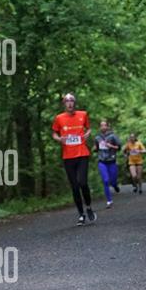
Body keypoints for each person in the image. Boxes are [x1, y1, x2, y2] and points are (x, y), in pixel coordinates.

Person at [52, 93, 96, 225]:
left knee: (82, 182)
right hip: (68, 156)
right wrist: (60, 139)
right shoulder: (59, 118)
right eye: (67, 101)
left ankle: (88, 207)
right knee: (75, 187)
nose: (69, 103)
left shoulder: (83, 114)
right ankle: (81, 214)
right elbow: (54, 133)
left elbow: (89, 129)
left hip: (82, 154)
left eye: (71, 101)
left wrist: (87, 133)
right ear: (64, 104)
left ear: (74, 103)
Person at [94, 120, 122, 208]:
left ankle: (115, 185)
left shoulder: (113, 136)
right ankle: (109, 201)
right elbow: (96, 148)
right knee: (106, 181)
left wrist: (111, 146)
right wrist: (94, 148)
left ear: (108, 127)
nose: (103, 127)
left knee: (113, 181)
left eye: (104, 125)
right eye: (101, 125)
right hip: (102, 162)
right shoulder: (97, 137)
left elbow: (119, 147)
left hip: (112, 161)